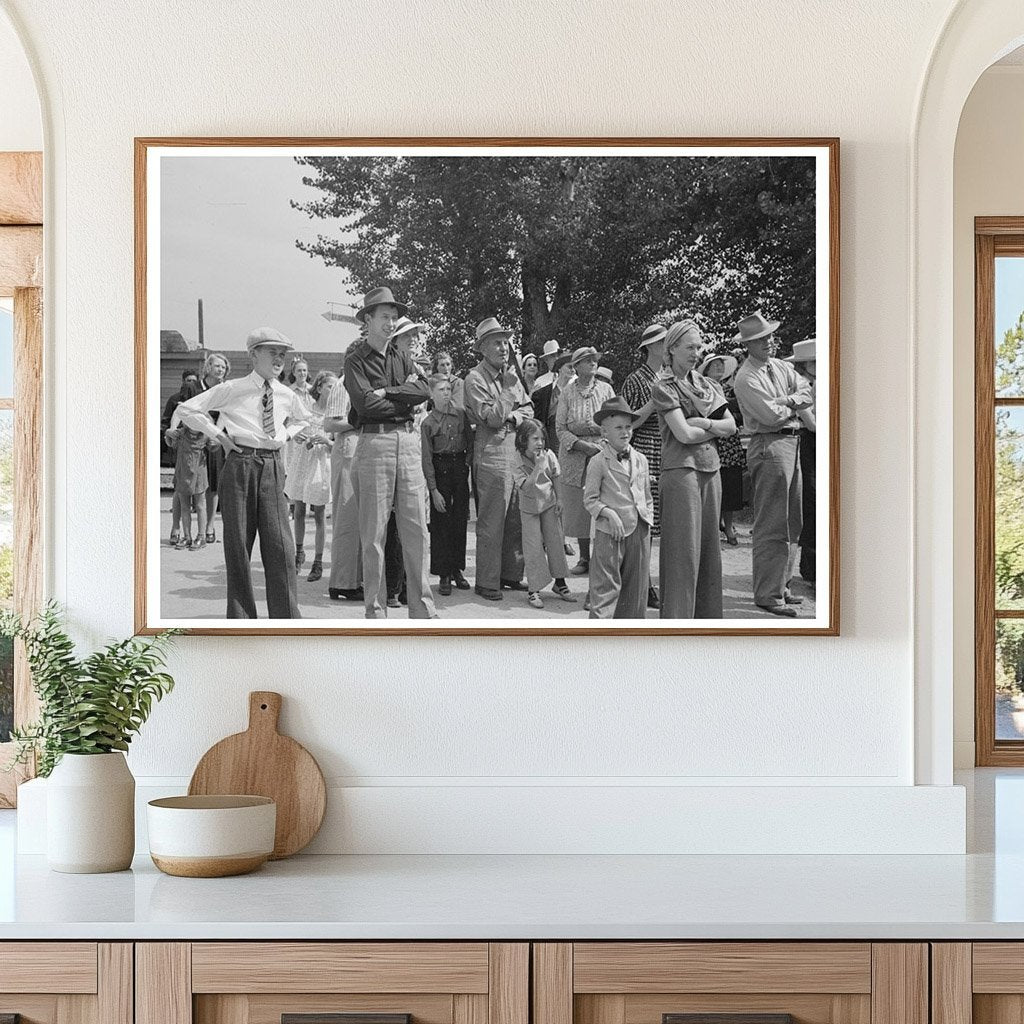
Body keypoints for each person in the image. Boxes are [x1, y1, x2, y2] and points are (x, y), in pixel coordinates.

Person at [176, 327, 311, 619]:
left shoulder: (286, 394)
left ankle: (287, 620)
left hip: (273, 466)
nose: (279, 359)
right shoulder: (233, 389)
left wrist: (286, 434)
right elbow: (187, 409)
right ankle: (241, 620)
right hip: (241, 465)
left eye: (283, 354)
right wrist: (218, 435)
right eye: (272, 352)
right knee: (238, 546)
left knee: (281, 547)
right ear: (253, 355)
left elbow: (306, 419)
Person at [343, 287, 436, 619]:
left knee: (417, 530)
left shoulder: (402, 357)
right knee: (374, 535)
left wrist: (389, 391)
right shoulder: (355, 359)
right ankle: (376, 610)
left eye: (394, 317)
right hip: (375, 444)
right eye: (385, 316)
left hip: (409, 444)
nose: (391, 322)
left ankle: (423, 610)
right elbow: (364, 403)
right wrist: (402, 401)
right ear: (368, 319)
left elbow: (424, 389)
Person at [652, 320, 737, 619]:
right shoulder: (663, 387)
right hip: (680, 472)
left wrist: (705, 424)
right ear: (671, 349)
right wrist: (715, 429)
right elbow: (683, 435)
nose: (696, 353)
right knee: (682, 556)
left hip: (711, 471)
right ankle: (676, 625)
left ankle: (707, 626)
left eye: (699, 347)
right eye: (689, 347)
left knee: (710, 553)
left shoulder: (706, 385)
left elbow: (732, 425)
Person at [732, 310, 814, 617]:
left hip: (791, 441)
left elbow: (808, 391)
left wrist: (787, 401)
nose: (767, 341)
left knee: (794, 520)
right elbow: (770, 416)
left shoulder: (779, 367)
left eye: (768, 335)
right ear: (747, 345)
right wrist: (793, 402)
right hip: (768, 444)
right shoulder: (746, 376)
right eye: (759, 339)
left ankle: (782, 585)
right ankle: (768, 593)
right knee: (772, 522)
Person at [463, 316, 534, 601]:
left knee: (516, 516)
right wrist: (507, 393)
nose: (504, 348)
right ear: (482, 348)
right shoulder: (475, 378)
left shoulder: (511, 375)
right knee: (493, 519)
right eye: (496, 342)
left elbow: (528, 409)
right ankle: (486, 581)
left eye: (506, 342)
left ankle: (510, 574)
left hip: (514, 450)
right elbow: (492, 419)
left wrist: (513, 415)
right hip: (491, 450)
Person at [583, 396, 654, 619]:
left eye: (628, 427)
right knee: (605, 589)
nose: (625, 432)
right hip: (610, 533)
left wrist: (647, 519)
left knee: (636, 591)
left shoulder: (641, 459)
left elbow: (646, 494)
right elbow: (590, 500)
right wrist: (608, 513)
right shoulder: (598, 461)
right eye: (618, 428)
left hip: (639, 529)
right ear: (604, 433)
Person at [556, 346, 614, 576]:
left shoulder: (606, 389)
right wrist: (582, 446)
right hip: (576, 454)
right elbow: (560, 428)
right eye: (587, 360)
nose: (592, 363)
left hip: (603, 452)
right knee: (582, 506)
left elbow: (614, 420)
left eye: (595, 359)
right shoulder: (567, 393)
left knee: (606, 501)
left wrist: (601, 446)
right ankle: (584, 557)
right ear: (576, 366)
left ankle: (604, 558)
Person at [620, 323, 667, 608]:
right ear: (648, 347)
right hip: (645, 447)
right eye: (661, 342)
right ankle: (644, 583)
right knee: (646, 518)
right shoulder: (635, 380)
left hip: (669, 447)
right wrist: (655, 401)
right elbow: (628, 422)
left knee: (665, 520)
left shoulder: (671, 376)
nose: (666, 346)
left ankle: (659, 581)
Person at [512, 418, 576, 609]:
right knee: (532, 548)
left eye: (542, 439)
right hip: (529, 508)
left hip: (549, 503)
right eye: (534, 439)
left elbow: (555, 475)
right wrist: (538, 467)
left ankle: (560, 583)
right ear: (523, 440)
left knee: (555, 541)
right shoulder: (516, 459)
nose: (540, 443)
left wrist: (561, 499)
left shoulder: (548, 455)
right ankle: (534, 588)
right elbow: (526, 486)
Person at [421, 374, 472, 596]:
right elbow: (427, 459)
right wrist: (433, 490)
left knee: (459, 521)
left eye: (448, 389)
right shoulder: (427, 424)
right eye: (441, 390)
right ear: (431, 394)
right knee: (441, 522)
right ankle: (443, 573)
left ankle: (456, 570)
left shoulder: (460, 415)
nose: (446, 393)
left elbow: (470, 442)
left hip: (459, 467)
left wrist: (466, 470)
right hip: (440, 471)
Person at [285, 370, 336, 583]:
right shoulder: (307, 410)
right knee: (298, 509)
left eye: (335, 387)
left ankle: (318, 560)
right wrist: (298, 436)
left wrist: (326, 441)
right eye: (329, 386)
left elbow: (339, 445)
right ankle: (298, 553)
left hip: (321, 464)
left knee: (320, 513)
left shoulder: (335, 415)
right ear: (319, 387)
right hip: (303, 460)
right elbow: (290, 428)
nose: (332, 391)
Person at [699, 352, 744, 546]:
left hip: (730, 444)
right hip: (712, 441)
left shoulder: (730, 389)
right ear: (706, 368)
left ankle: (729, 526)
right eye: (714, 364)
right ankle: (713, 527)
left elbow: (740, 412)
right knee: (713, 486)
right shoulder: (701, 386)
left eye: (720, 364)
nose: (718, 367)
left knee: (731, 487)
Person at [325, 371, 363, 602]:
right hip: (348, 448)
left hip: (360, 448)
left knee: (358, 520)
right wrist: (358, 421)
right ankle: (342, 583)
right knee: (347, 518)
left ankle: (353, 579)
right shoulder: (343, 385)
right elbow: (329, 423)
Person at [786, 338, 817, 584]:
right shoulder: (801, 387)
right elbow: (812, 424)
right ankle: (811, 566)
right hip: (808, 444)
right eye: (814, 361)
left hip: (818, 444)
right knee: (811, 501)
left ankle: (812, 565)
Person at [167, 380, 209, 551]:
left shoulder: (205, 434)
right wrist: (169, 432)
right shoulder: (180, 434)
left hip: (199, 473)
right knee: (185, 505)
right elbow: (169, 442)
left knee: (200, 504)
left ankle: (202, 536)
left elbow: (216, 441)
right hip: (183, 472)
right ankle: (186, 536)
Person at [199, 352, 231, 544]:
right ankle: (193, 530)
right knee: (194, 487)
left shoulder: (226, 389)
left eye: (224, 367)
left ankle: (210, 525)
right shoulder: (196, 387)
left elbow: (227, 414)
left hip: (216, 440)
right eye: (217, 366)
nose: (221, 370)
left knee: (214, 485)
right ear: (208, 367)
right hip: (195, 441)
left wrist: (215, 435)